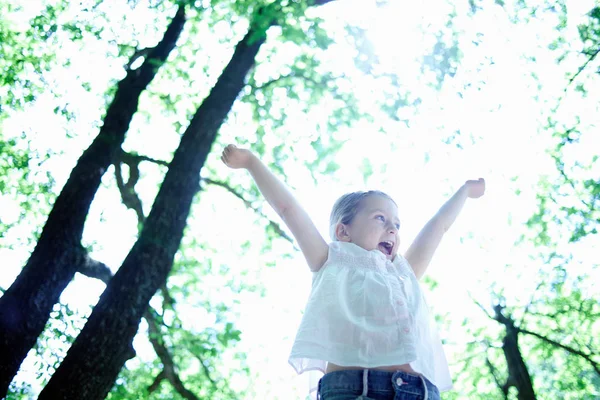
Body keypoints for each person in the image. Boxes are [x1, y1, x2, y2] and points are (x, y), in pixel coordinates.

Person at [221, 144, 486, 400]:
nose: (392, 229)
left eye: (397, 224)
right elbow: (287, 209)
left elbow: (438, 226)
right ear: (343, 231)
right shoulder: (332, 260)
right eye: (381, 218)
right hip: (354, 390)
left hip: (422, 392)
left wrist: (464, 191)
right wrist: (251, 163)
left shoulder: (404, 271)